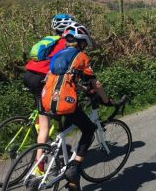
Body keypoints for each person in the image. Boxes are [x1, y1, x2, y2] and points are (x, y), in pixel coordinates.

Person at [41, 22, 111, 191]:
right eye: (85, 44)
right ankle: (74, 168)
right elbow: (97, 84)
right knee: (88, 129)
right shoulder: (81, 57)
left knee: (64, 130)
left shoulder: (58, 55)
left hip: (47, 100)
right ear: (81, 43)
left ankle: (71, 179)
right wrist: (106, 100)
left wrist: (82, 88)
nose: (85, 47)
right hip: (65, 103)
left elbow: (63, 78)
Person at [23, 13, 75, 174]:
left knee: (42, 106)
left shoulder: (48, 40)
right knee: (46, 125)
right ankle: (38, 168)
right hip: (40, 80)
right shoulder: (65, 44)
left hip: (28, 75)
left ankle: (40, 128)